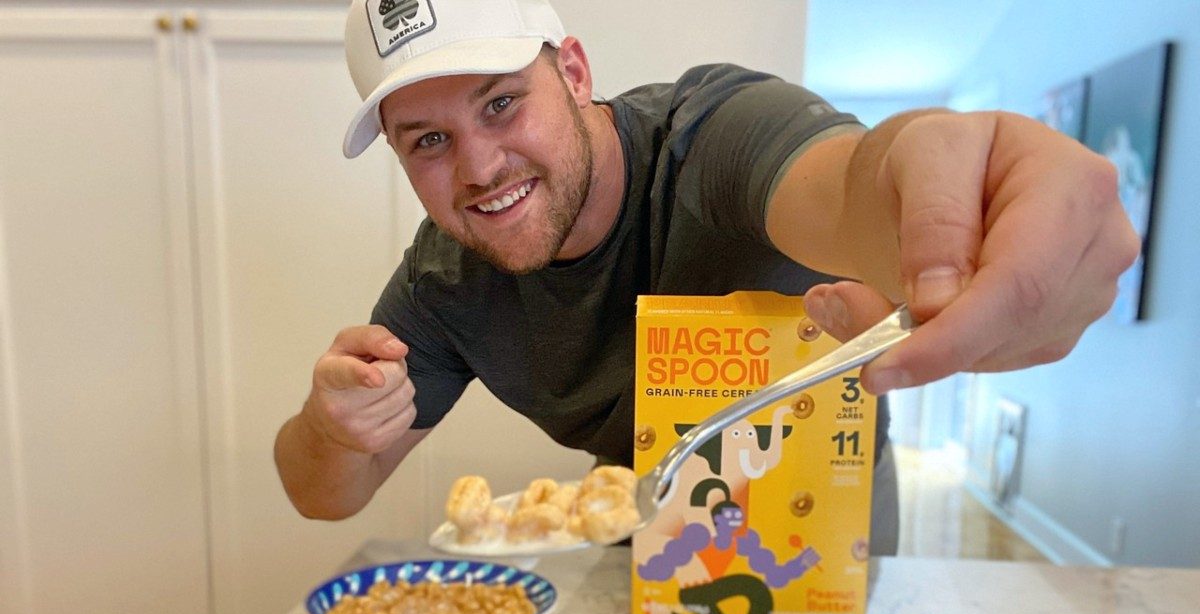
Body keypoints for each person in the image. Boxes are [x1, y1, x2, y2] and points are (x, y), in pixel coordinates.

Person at [273, 0, 1139, 557]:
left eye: (501, 103)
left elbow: (850, 186)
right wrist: (333, 424)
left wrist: (948, 183)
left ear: (573, 72)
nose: (480, 166)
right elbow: (321, 494)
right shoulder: (444, 282)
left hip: (826, 552)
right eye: (428, 139)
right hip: (651, 553)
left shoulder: (712, 140)